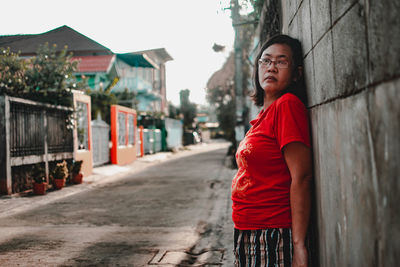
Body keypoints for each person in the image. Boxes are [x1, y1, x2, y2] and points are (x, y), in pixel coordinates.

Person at [231, 34, 312, 267]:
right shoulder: (263, 116)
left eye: (281, 61)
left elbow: (302, 177)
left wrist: (298, 245)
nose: (271, 67)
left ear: (296, 73)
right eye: (265, 61)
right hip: (249, 230)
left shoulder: (287, 106)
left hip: (272, 233)